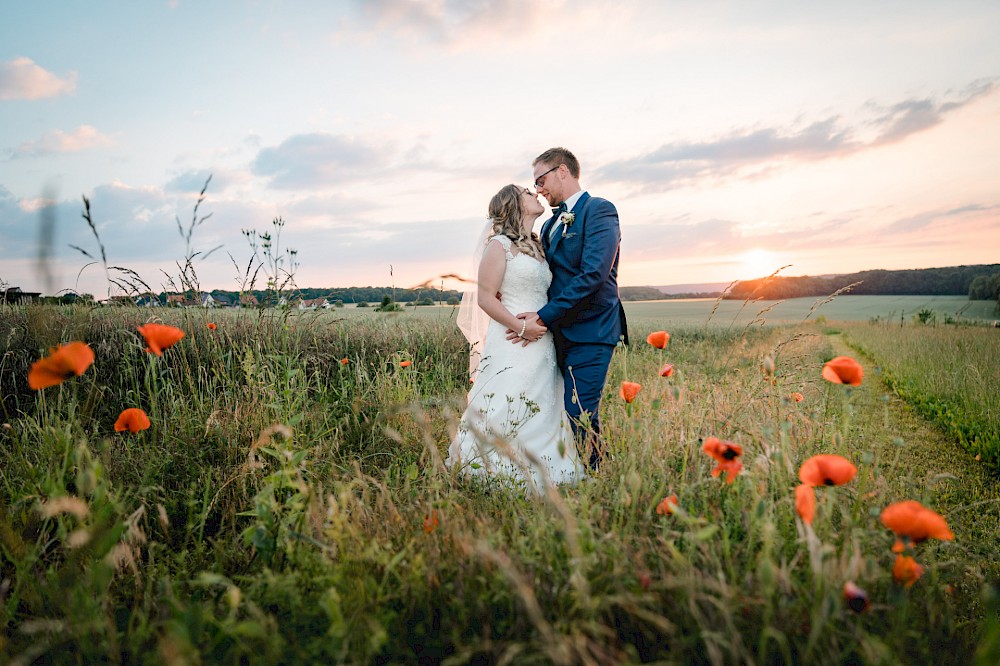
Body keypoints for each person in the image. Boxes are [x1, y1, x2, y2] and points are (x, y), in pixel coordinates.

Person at [447, 184, 585, 490]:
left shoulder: (537, 245)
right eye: (526, 192)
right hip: (513, 339)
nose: (534, 193)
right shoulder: (498, 246)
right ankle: (495, 471)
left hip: (542, 341)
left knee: (544, 403)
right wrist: (522, 327)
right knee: (507, 402)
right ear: (513, 205)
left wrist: (543, 322)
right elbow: (486, 299)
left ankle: (549, 469)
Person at [508, 147, 628, 470]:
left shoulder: (599, 211)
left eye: (541, 179)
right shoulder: (548, 227)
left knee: (580, 412)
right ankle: (576, 469)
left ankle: (597, 474)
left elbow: (593, 276)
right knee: (560, 412)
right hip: (556, 337)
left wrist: (542, 316)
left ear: (563, 171)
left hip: (592, 331)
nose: (538, 190)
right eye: (534, 184)